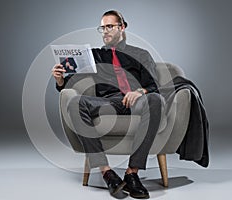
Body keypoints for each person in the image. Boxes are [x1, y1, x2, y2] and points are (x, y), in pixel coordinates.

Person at [52, 10, 163, 199]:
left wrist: (139, 92)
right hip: (109, 101)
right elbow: (70, 83)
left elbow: (154, 86)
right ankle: (107, 173)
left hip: (136, 101)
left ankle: (132, 173)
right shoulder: (94, 56)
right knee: (74, 102)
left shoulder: (141, 54)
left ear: (122, 27)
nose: (105, 31)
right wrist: (60, 79)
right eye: (102, 28)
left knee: (155, 99)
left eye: (109, 26)